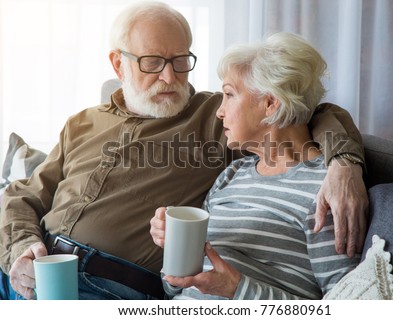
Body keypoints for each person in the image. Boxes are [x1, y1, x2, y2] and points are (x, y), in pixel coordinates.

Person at [0, 1, 367, 300]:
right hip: (32, 268)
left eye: (180, 61)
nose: (169, 77)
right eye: (153, 62)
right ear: (118, 64)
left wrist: (344, 163)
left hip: (104, 287)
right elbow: (22, 195)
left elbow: (312, 111)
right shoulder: (82, 122)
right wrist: (20, 247)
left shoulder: (216, 118)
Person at [150, 32, 361, 300]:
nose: (219, 111)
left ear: (270, 103)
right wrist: (175, 250)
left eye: (229, 94)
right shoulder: (232, 175)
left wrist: (237, 290)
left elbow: (342, 302)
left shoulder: (329, 188)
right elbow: (174, 288)